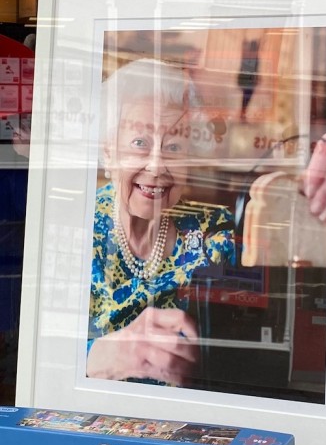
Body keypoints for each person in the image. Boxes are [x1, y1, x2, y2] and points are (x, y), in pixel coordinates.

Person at [86, 58, 236, 386]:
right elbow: (45, 348)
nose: (157, 167)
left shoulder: (215, 232)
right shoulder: (78, 228)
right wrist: (100, 356)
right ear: (108, 153)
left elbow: (238, 345)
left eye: (173, 147)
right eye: (140, 143)